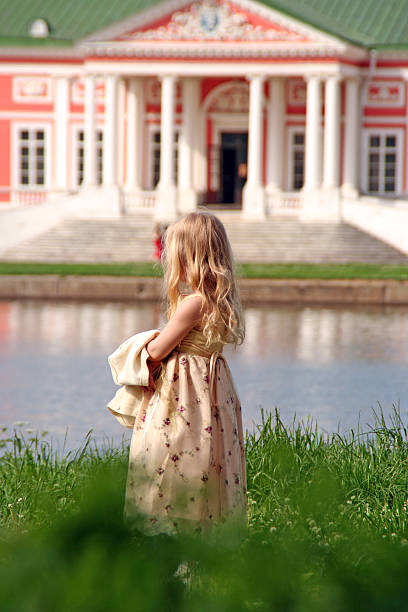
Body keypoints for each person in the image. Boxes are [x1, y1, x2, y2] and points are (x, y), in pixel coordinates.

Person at [119, 212, 247, 538]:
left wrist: (141, 346)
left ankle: (167, 528)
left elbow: (159, 349)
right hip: (213, 389)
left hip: (185, 393)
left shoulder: (192, 304)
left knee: (172, 451)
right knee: (206, 454)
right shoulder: (221, 300)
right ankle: (205, 528)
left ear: (188, 256)